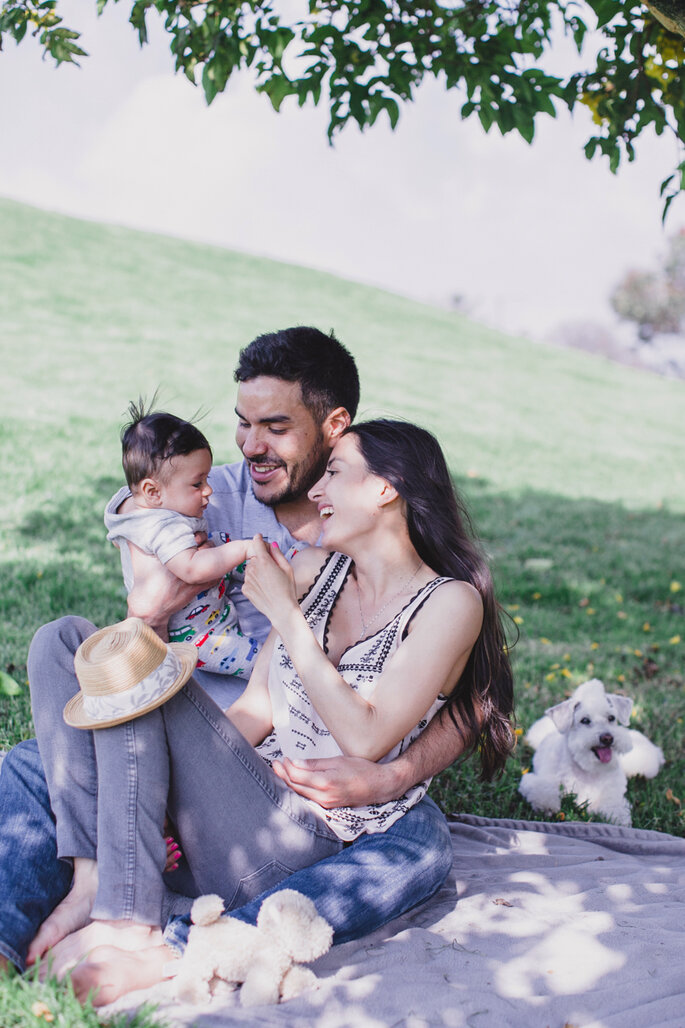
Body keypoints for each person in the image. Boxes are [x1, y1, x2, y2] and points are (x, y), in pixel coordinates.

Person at [0, 326, 504, 987]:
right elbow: (254, 711)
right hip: (235, 781)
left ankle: (141, 924)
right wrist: (160, 765)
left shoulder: (445, 601)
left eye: (336, 474)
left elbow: (377, 730)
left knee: (421, 845)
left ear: (384, 487)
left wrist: (286, 619)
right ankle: (78, 890)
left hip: (303, 824)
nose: (320, 490)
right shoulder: (265, 529)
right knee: (61, 653)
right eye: (242, 424)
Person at [105, 402, 267, 677]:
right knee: (261, 663)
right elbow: (192, 568)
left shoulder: (141, 509)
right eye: (197, 483)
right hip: (201, 636)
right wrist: (244, 548)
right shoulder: (163, 526)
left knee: (219, 542)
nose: (209, 490)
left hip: (209, 612)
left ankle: (262, 568)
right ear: (152, 491)